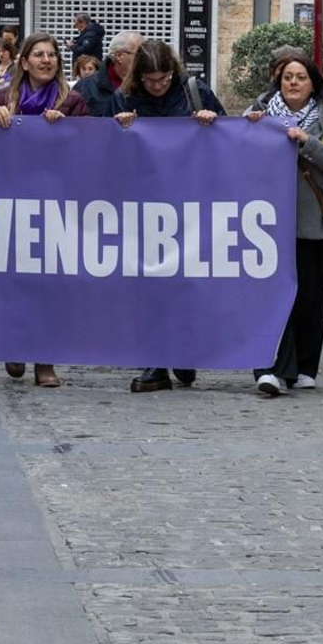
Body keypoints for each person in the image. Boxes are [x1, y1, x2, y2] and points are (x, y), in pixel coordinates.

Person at [113, 40, 225, 394]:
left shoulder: (194, 91)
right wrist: (119, 128)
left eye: (163, 79)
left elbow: (228, 137)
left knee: (185, 283)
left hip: (189, 203)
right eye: (150, 80)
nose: (157, 86)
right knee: (149, 286)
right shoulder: (125, 97)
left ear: (173, 72)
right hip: (145, 205)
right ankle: (156, 361)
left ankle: (183, 350)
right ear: (138, 77)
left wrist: (210, 121)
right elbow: (104, 146)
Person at [0, 33, 91, 388]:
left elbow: (92, 148)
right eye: (39, 55)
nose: (47, 60)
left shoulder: (72, 101)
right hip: (10, 203)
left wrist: (69, 131)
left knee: (49, 284)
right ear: (24, 61)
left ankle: (45, 359)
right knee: (12, 280)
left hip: (56, 204)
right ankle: (14, 345)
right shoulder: (2, 99)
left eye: (52, 55)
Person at [244, 54, 323, 396]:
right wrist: (251, 128)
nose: (293, 82)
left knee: (308, 296)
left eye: (300, 77)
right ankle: (272, 367)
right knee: (272, 296)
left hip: (310, 221)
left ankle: (305, 365)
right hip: (264, 223)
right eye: (287, 77)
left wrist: (307, 142)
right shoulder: (259, 113)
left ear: (312, 82)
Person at [74, 30, 143, 118]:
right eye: (140, 53)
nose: (144, 58)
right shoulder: (85, 87)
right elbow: (72, 126)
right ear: (119, 56)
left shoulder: (148, 85)